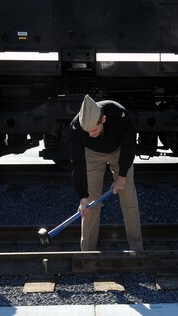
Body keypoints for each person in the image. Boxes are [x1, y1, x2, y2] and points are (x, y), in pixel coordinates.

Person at [70, 95, 143, 251]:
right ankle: (87, 252)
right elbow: (78, 162)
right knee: (89, 205)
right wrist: (82, 196)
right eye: (87, 131)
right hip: (92, 154)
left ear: (103, 119)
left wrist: (122, 177)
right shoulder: (76, 126)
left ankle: (137, 249)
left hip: (119, 150)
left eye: (94, 130)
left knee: (129, 199)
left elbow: (130, 146)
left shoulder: (119, 115)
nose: (90, 134)